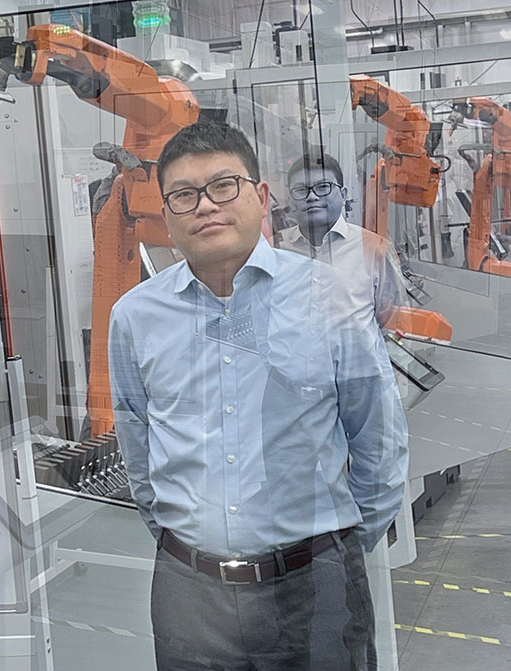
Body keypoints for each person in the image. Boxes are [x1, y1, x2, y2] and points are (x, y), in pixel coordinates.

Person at [108, 121, 408, 671]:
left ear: (261, 197)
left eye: (224, 186)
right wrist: (185, 544)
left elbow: (377, 435)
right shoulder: (134, 317)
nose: (206, 206)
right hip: (188, 595)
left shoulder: (328, 297)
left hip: (314, 586)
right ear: (167, 213)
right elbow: (136, 438)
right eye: (184, 195)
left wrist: (332, 552)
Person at [273, 150, 409, 332]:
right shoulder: (274, 249)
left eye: (323, 187)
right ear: (290, 199)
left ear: (344, 195)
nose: (312, 196)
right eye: (300, 190)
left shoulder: (373, 248)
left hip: (357, 360)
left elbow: (395, 323)